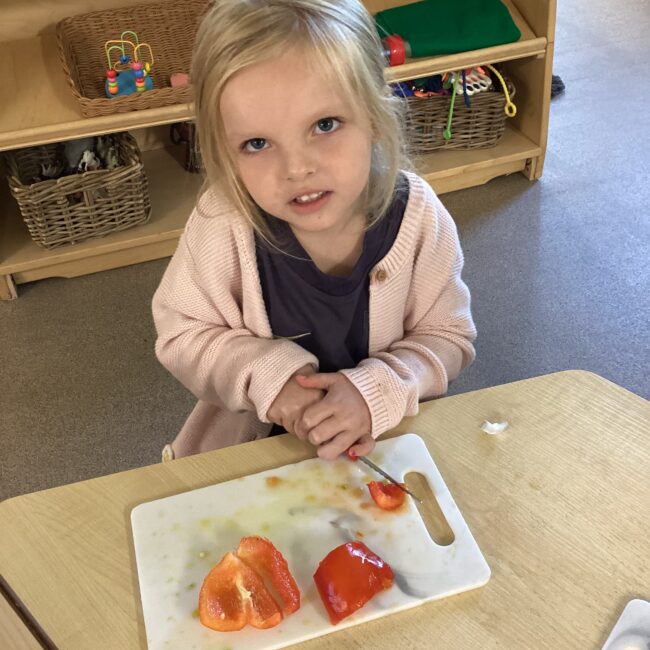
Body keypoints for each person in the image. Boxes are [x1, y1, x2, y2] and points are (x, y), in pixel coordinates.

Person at [152, 0, 476, 462]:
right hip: (249, 458)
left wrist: (376, 390)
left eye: (325, 125)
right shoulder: (223, 222)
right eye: (257, 143)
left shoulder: (419, 217)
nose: (298, 168)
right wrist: (271, 378)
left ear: (375, 118)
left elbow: (448, 338)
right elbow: (182, 336)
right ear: (223, 150)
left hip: (385, 449)